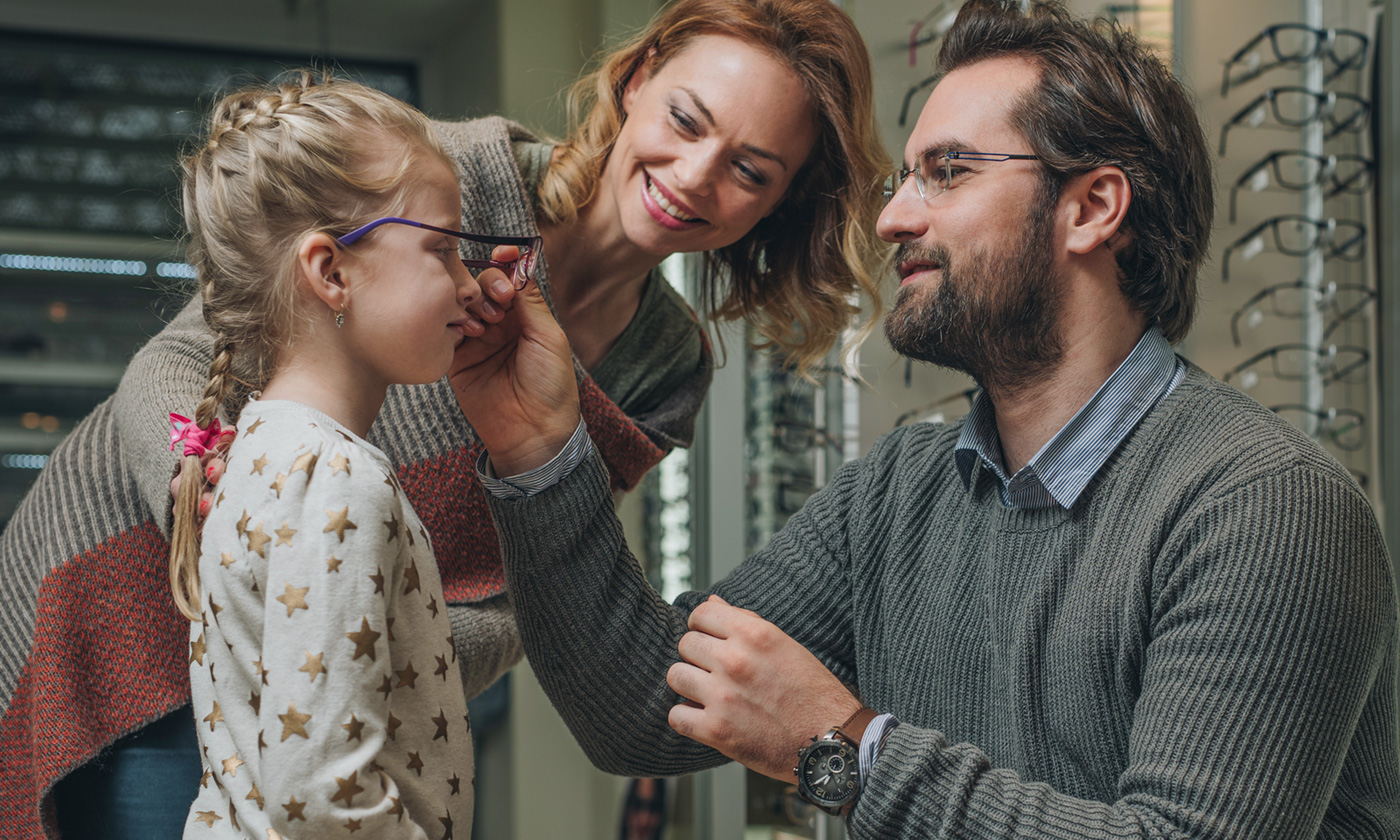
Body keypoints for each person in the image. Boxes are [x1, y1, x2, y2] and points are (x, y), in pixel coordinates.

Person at [450, 0, 1400, 836]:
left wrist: (851, 751)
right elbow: (641, 710)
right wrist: (539, 450)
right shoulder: (899, 492)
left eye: (946, 171)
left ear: (1091, 208)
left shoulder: (1266, 509)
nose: (896, 216)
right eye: (905, 176)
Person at [0, 0, 888, 836]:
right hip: (134, 586)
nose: (693, 176)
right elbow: (177, 365)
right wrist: (239, 546)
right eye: (687, 121)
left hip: (328, 645)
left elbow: (532, 592)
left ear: (779, 202)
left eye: (749, 171)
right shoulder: (448, 175)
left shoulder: (663, 366)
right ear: (636, 79)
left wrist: (368, 627)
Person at [166, 73, 496, 837]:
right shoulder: (335, 478)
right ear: (331, 272)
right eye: (442, 252)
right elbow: (323, 796)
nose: (469, 282)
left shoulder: (258, 447)